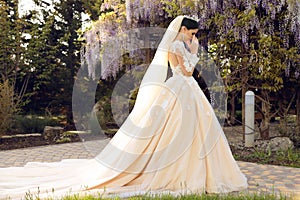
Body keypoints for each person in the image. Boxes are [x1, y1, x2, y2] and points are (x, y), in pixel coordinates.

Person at [0, 16, 248, 199]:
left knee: (198, 131)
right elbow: (186, 71)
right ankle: (177, 171)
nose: (194, 38)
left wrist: (192, 51)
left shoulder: (182, 45)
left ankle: (204, 171)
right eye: (192, 33)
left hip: (188, 89)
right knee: (176, 130)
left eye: (194, 35)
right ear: (183, 30)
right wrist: (194, 53)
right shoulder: (175, 46)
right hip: (181, 87)